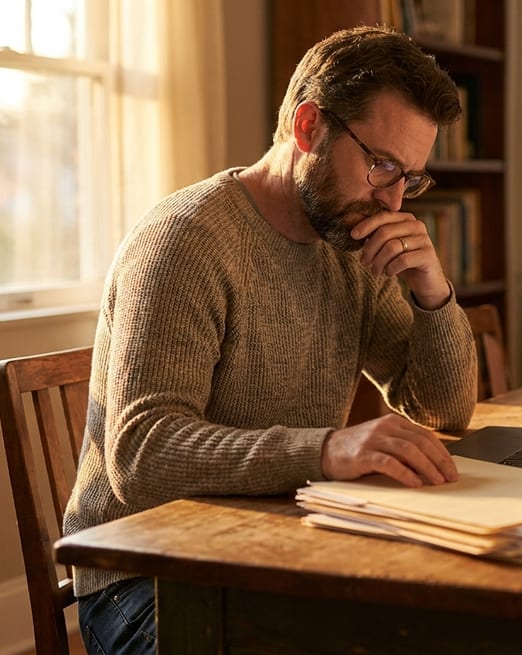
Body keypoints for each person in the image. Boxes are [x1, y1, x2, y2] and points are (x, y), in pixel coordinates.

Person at [64, 25, 479, 654]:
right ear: (310, 127)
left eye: (410, 179)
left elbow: (442, 410)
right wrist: (326, 451)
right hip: (147, 576)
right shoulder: (186, 239)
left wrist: (433, 293)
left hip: (278, 544)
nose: (393, 199)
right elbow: (140, 458)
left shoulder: (350, 242)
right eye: (381, 165)